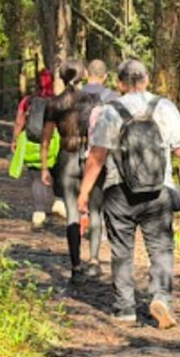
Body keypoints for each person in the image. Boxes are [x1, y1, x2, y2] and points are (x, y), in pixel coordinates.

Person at [77, 59, 180, 326]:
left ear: (120, 84)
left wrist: (84, 194)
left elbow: (97, 157)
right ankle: (161, 297)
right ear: (147, 80)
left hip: (119, 192)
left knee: (122, 250)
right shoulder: (165, 107)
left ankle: (124, 308)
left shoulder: (110, 111)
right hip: (159, 189)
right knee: (161, 248)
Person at [40, 60, 112, 286]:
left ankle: (75, 265)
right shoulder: (92, 100)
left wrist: (44, 167)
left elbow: (46, 139)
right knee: (95, 210)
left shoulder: (54, 104)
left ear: (61, 77)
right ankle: (93, 259)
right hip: (90, 157)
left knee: (72, 212)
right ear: (82, 76)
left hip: (66, 157)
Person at [79, 58, 119, 277]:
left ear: (86, 73)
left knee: (83, 208)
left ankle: (83, 260)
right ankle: (102, 259)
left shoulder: (75, 96)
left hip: (79, 157)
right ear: (105, 76)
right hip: (106, 160)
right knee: (102, 209)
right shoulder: (113, 98)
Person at [10, 68, 57, 229]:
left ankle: (38, 213)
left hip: (31, 142)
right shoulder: (56, 100)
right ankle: (59, 201)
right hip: (53, 143)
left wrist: (15, 139)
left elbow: (19, 121)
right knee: (56, 172)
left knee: (37, 179)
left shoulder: (28, 101)